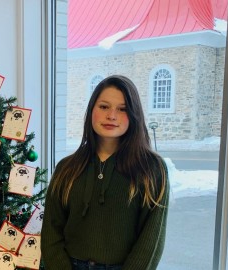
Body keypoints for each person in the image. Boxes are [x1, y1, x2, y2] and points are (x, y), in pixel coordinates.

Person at [41, 75, 169, 270]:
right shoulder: (66, 168)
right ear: (92, 110)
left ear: (134, 115)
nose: (112, 116)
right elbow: (51, 231)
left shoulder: (151, 168)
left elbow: (151, 240)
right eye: (104, 107)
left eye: (122, 109)